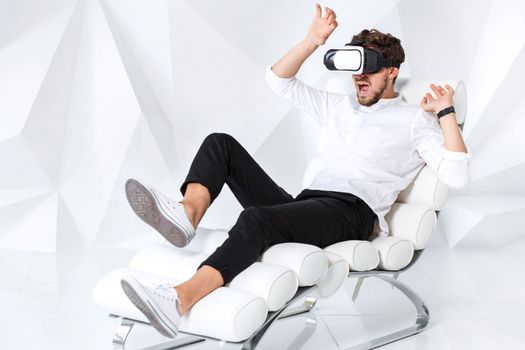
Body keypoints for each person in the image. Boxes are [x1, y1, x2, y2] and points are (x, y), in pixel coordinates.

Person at [120, 4, 470, 338]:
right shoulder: (338, 107)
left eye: (369, 69)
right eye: (354, 69)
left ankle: (178, 299)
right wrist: (313, 41)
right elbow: (277, 80)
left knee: (256, 220)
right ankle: (187, 215)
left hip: (351, 212)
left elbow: (456, 175)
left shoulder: (413, 120)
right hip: (307, 205)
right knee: (219, 144)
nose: (359, 78)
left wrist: (445, 112)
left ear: (391, 71)